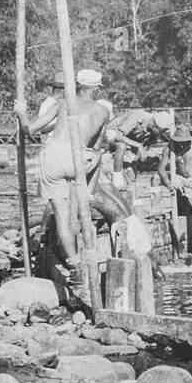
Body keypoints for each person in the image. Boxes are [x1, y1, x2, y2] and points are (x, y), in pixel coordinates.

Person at [15, 67, 116, 293]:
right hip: (79, 159)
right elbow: (97, 147)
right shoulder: (102, 111)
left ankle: (74, 263)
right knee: (97, 158)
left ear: (77, 86)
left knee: (61, 214)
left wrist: (21, 112)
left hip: (52, 157)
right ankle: (87, 194)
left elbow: (29, 129)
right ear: (96, 89)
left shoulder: (61, 103)